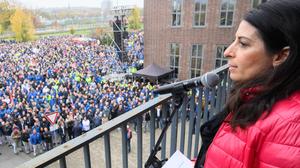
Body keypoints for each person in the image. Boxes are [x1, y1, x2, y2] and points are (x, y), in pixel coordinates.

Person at [195, 0, 300, 167]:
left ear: (281, 56)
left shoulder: (291, 126)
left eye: (243, 44)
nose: (228, 51)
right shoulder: (255, 95)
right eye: (235, 40)